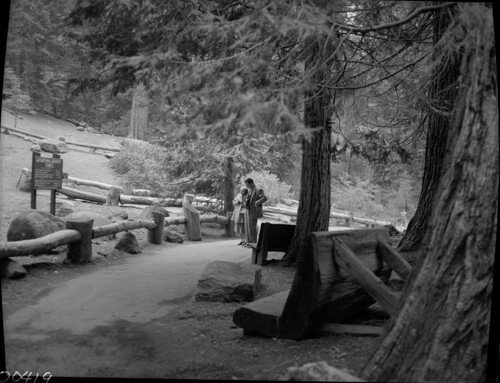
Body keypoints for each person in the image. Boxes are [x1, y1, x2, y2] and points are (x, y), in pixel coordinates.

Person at [244, 178, 268, 246]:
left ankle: (254, 243)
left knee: (252, 227)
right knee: (250, 227)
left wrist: (257, 202)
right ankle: (252, 242)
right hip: (249, 211)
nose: (246, 186)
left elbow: (264, 198)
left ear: (251, 183)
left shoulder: (258, 190)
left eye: (247, 185)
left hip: (254, 211)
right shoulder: (250, 190)